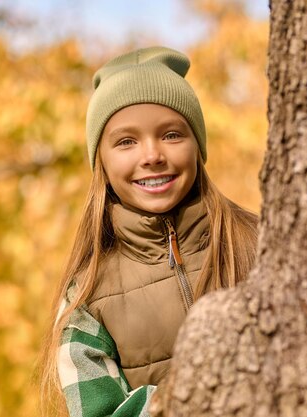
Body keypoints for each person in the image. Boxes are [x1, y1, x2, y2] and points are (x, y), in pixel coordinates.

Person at [41, 46, 258, 417]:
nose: (152, 155)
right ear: (102, 164)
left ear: (197, 147)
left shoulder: (259, 242)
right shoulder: (88, 294)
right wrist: (194, 396)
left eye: (172, 135)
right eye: (126, 141)